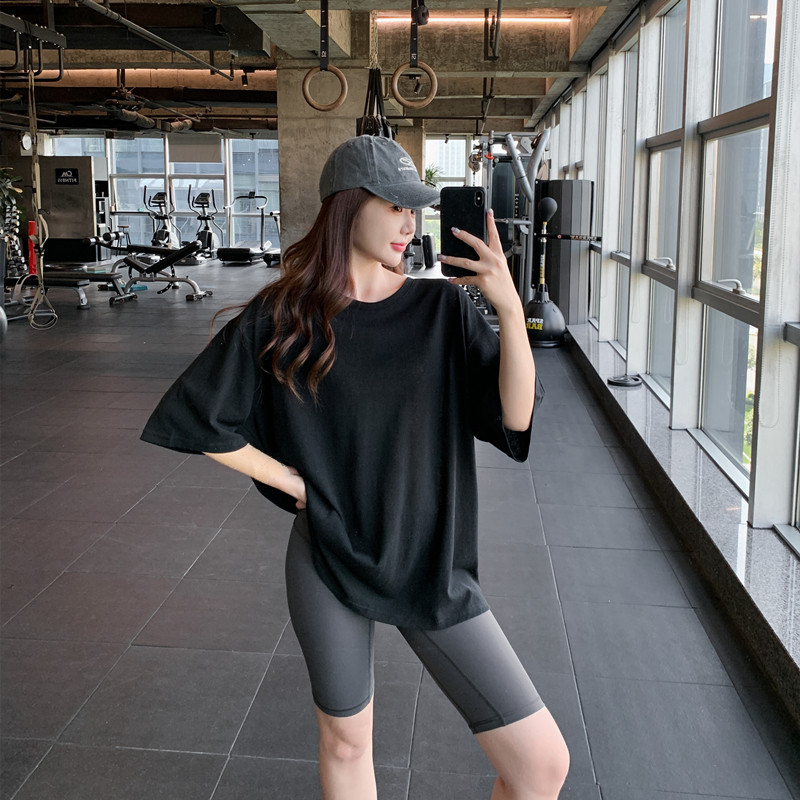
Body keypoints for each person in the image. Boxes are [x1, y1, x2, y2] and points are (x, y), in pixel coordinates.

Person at [141, 135, 569, 800]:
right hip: (329, 553)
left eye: (413, 209)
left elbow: (514, 420)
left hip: (430, 560)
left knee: (540, 764)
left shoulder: (442, 310)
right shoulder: (285, 316)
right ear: (347, 206)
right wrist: (290, 482)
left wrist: (510, 311)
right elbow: (195, 417)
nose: (409, 223)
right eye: (394, 205)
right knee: (345, 742)